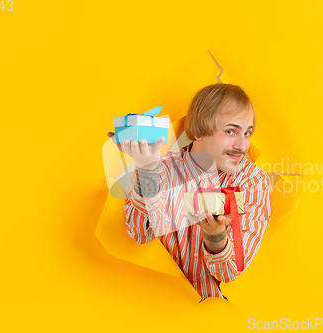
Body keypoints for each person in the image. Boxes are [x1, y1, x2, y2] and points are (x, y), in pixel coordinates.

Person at [106, 83, 271, 301]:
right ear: (199, 131)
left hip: (215, 316)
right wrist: (146, 172)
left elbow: (230, 272)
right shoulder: (160, 170)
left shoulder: (253, 182)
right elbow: (139, 234)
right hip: (155, 305)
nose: (242, 145)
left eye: (247, 133)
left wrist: (215, 236)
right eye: (231, 131)